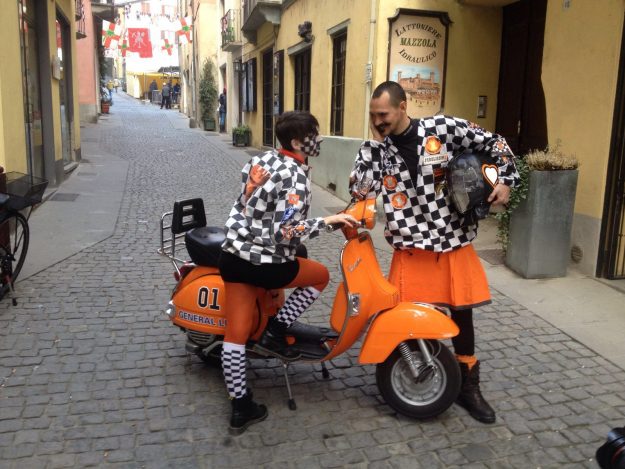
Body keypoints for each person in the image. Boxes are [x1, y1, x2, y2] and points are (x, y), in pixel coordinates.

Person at [349, 81, 519, 424]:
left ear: (402, 107)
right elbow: (360, 192)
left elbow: (495, 142)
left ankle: (468, 386)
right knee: (408, 317)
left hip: (451, 239)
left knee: (462, 314)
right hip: (411, 247)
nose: (377, 121)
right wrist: (376, 145)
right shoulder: (376, 150)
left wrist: (504, 180)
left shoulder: (443, 128)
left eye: (383, 114)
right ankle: (423, 374)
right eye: (373, 115)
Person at [219, 111, 357, 435]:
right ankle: (277, 329)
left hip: (233, 255)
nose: (318, 140)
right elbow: (285, 232)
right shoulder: (295, 176)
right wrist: (329, 221)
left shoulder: (261, 160)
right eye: (313, 135)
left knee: (235, 335)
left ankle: (240, 407)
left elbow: (248, 205)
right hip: (265, 263)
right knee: (320, 275)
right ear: (296, 142)